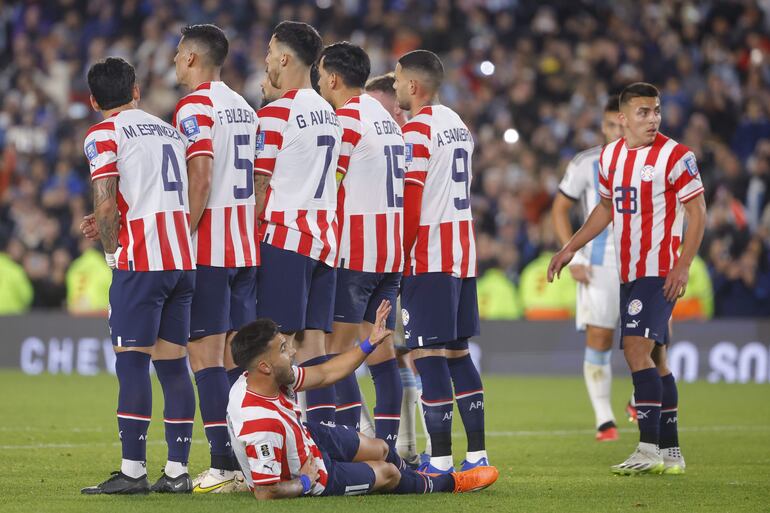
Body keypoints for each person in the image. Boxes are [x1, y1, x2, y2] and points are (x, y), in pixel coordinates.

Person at [548, 82, 707, 475]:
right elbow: (605, 209)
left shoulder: (676, 156)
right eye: (643, 112)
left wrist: (683, 264)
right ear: (623, 118)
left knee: (635, 349)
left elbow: (698, 212)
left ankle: (648, 447)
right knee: (657, 359)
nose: (652, 118)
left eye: (656, 111)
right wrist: (570, 247)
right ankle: (671, 453)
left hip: (660, 269)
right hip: (629, 269)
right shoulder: (611, 157)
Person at [227, 300, 499, 499]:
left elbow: (325, 373)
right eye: (284, 349)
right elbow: (265, 491)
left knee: (380, 447)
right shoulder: (260, 423)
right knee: (387, 473)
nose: (294, 352)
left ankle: (418, 477)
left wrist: (369, 343)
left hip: (304, 438)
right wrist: (306, 483)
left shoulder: (266, 377)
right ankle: (447, 484)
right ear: (264, 366)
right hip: (311, 472)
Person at [80, 57, 197, 494]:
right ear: (136, 91)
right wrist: (110, 218)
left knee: (132, 363)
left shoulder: (103, 134)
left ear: (93, 100)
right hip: (182, 261)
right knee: (173, 367)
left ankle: (132, 472)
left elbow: (109, 202)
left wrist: (112, 253)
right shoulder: (169, 131)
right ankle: (177, 472)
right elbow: (149, 192)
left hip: (141, 262)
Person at [172, 23, 261, 493]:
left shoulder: (195, 106)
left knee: (203, 356)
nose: (173, 62)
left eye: (177, 54)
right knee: (232, 358)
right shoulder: (245, 108)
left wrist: (181, 234)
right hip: (245, 248)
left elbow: (201, 179)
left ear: (191, 57)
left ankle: (224, 465)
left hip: (209, 249)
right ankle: (244, 462)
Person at [394, 50, 488, 474]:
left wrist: (401, 254)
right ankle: (477, 454)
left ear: (414, 86)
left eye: (397, 79)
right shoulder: (458, 126)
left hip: (428, 254)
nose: (394, 86)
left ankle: (442, 460)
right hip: (462, 254)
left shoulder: (416, 131)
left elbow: (412, 201)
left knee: (427, 354)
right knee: (457, 353)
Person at [316, 43, 405, 453]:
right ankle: (387, 450)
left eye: (320, 76)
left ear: (333, 78)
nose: (319, 83)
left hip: (354, 253)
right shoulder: (389, 122)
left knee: (338, 355)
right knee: (383, 352)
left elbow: (329, 187)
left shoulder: (346, 120)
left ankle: (348, 449)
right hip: (390, 252)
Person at [255, 21, 341, 425]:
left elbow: (259, 183)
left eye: (271, 52)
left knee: (279, 346)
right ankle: (323, 436)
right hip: (325, 242)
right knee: (314, 347)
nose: (267, 60)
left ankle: (285, 435)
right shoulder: (330, 113)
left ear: (285, 58)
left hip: (287, 238)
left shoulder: (278, 112)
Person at [551, 95, 624, 441]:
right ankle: (605, 419)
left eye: (621, 123)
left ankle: (642, 399)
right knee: (601, 336)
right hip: (599, 261)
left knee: (654, 336)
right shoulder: (586, 163)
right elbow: (559, 209)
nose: (616, 130)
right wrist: (575, 255)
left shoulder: (653, 162)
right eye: (610, 124)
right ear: (603, 126)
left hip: (643, 259)